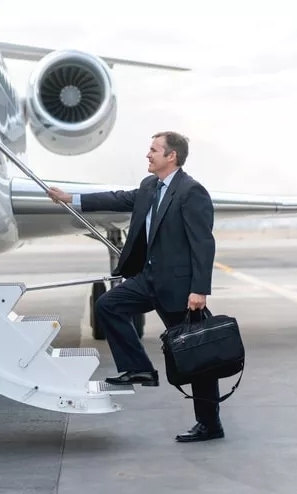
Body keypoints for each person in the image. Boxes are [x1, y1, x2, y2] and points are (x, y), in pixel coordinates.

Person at [47, 131, 223, 443]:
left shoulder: (190, 191)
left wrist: (200, 289)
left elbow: (203, 244)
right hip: (147, 280)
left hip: (180, 290)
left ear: (171, 156)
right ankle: (139, 368)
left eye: (154, 150)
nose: (148, 155)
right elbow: (117, 198)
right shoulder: (149, 186)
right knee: (108, 305)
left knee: (195, 356)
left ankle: (210, 424)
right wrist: (69, 198)